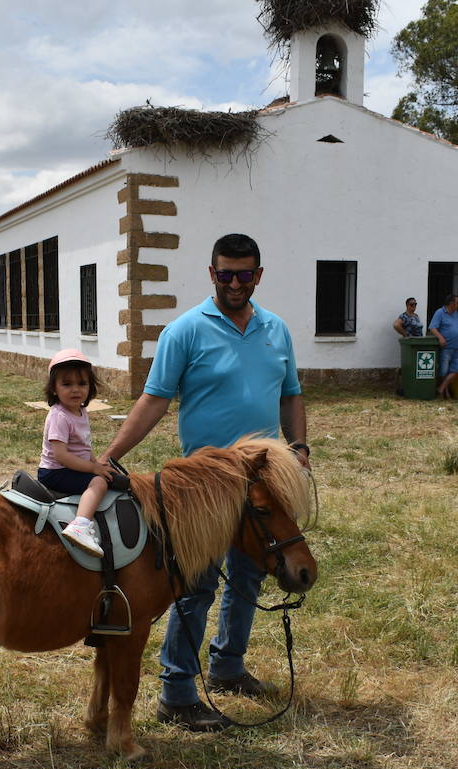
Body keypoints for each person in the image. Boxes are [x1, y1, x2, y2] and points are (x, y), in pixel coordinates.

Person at [99, 232, 309, 733]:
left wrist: (299, 448)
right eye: (225, 274)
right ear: (211, 274)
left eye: (244, 274)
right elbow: (154, 400)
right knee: (195, 586)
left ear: (258, 276)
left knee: (250, 577)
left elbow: (292, 395)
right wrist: (109, 455)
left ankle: (229, 667)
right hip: (205, 489)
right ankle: (176, 691)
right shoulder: (185, 331)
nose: (234, 283)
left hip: (263, 482)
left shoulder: (276, 330)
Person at [37, 349, 112, 557]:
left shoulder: (80, 411)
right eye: (67, 384)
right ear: (54, 388)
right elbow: (61, 455)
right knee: (99, 483)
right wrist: (93, 470)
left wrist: (97, 463)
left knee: (108, 475)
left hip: (70, 466)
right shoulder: (59, 416)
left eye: (82, 383)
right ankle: (80, 525)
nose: (76, 390)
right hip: (55, 471)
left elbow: (82, 447)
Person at [430, 293, 458, 399]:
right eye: (457, 303)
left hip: (456, 348)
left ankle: (441, 389)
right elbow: (433, 328)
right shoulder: (440, 313)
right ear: (451, 303)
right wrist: (440, 337)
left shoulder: (455, 314)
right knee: (443, 371)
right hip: (445, 347)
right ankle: (444, 393)